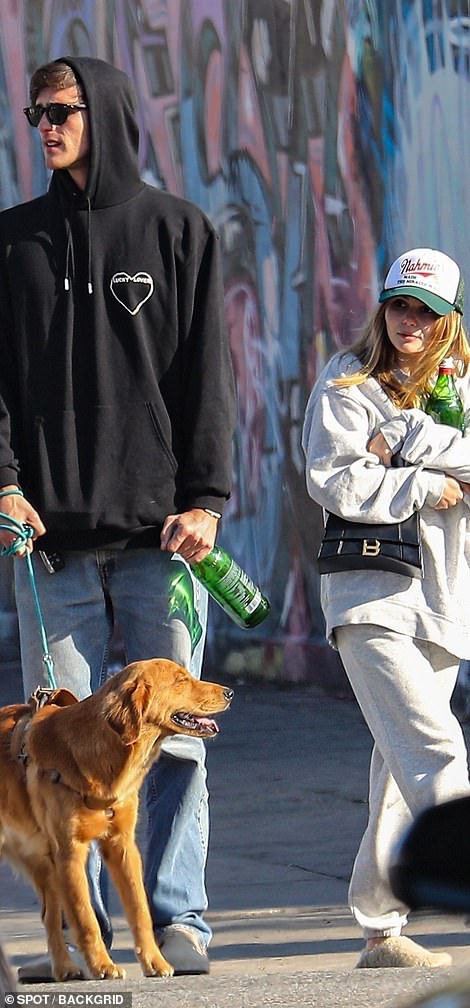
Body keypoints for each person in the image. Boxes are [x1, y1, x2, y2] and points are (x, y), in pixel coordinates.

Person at [0, 56, 236, 980]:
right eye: (34, 113)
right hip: (48, 545)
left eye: (61, 110)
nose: (46, 125)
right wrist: (5, 482)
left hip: (160, 544)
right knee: (51, 752)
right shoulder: (13, 243)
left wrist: (208, 501)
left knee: (171, 740)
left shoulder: (179, 231)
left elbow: (209, 379)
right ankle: (83, 935)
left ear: (103, 112)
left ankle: (178, 922)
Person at [302, 247, 470, 968]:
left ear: (449, 322)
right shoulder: (347, 382)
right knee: (437, 750)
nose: (411, 322)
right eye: (401, 305)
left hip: (442, 598)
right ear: (384, 307)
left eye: (427, 312)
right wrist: (421, 485)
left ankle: (380, 930)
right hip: (370, 595)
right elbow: (334, 480)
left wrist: (402, 439)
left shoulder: (459, 392)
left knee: (396, 765)